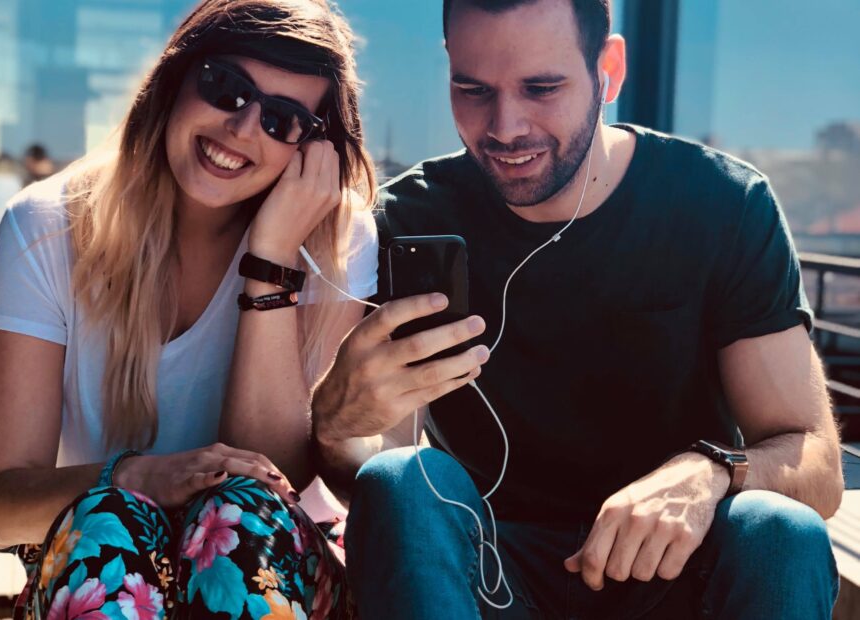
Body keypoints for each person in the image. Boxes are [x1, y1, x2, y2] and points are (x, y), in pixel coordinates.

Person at [310, 0, 844, 618]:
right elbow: (382, 481)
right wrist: (334, 428)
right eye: (472, 89)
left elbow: (818, 465)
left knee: (781, 528)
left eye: (542, 88)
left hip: (675, 569)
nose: (505, 127)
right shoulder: (410, 220)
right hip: (489, 577)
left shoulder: (722, 206)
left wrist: (710, 471)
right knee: (400, 484)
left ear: (608, 69)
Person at [0, 0, 377, 617]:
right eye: (226, 87)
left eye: (283, 120)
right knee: (112, 519)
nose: (242, 129)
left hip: (268, 568)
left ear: (311, 150)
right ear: (176, 78)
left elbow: (276, 478)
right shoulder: (47, 227)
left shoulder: (333, 238)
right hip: (104, 566)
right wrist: (135, 476)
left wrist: (270, 258)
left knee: (235, 514)